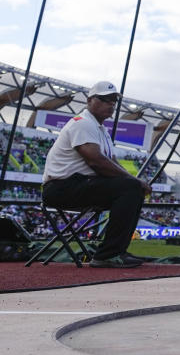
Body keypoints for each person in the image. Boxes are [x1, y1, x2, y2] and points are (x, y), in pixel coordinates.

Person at [41, 81, 151, 268]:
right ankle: (108, 254)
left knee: (133, 189)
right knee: (130, 188)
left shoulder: (100, 130)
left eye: (114, 101)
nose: (111, 105)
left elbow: (111, 162)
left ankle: (116, 251)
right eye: (105, 99)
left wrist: (135, 182)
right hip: (62, 187)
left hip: (79, 184)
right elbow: (96, 161)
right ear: (90, 100)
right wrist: (134, 181)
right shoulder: (82, 123)